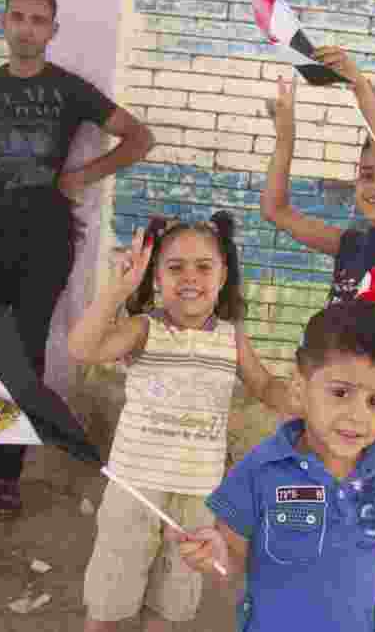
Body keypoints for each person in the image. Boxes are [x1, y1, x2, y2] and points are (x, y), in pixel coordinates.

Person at [0, 0, 155, 528]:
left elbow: (141, 137)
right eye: (17, 17)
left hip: (46, 238)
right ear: (3, 23)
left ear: (52, 29)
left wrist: (81, 177)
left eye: (38, 20)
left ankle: (4, 477)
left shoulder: (70, 90)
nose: (26, 28)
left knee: (20, 357)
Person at [260, 46, 375, 630]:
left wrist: (360, 87)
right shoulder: (349, 244)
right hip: (323, 424)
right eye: (364, 174)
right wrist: (286, 133)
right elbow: (275, 209)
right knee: (318, 539)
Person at [169, 299, 375, 632]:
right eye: (341, 392)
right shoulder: (260, 469)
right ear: (300, 388)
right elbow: (233, 554)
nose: (358, 415)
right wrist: (215, 554)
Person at [68, 211, 300, 632]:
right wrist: (117, 290)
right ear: (156, 277)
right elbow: (82, 348)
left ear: (223, 274)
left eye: (203, 267)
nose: (189, 277)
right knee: (108, 605)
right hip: (134, 490)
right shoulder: (143, 329)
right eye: (175, 267)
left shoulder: (231, 336)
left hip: (197, 497)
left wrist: (304, 400)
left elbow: (265, 386)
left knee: (168, 606)